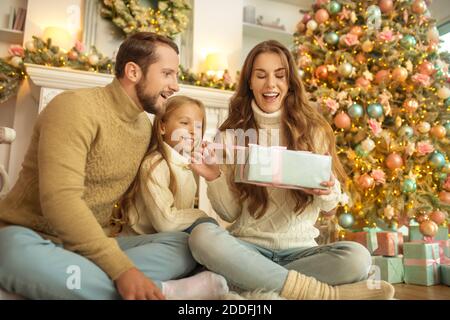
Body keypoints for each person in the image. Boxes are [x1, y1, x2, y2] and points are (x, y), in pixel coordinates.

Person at [0, 32, 219, 300]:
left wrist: (210, 172)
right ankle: (162, 291)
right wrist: (122, 269)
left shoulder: (143, 127)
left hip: (94, 244)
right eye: (167, 74)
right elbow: (60, 200)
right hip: (32, 236)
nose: (175, 86)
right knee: (8, 251)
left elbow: (164, 169)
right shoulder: (74, 108)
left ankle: (82, 279)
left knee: (184, 245)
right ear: (133, 71)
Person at [188, 40, 395, 300]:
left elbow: (329, 211)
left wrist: (326, 188)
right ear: (249, 82)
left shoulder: (314, 131)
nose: (270, 84)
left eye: (279, 75)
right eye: (261, 75)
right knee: (202, 237)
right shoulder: (231, 136)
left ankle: (254, 281)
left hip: (301, 251)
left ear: (290, 82)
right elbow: (229, 213)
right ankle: (322, 294)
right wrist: (213, 176)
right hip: (248, 247)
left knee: (358, 258)